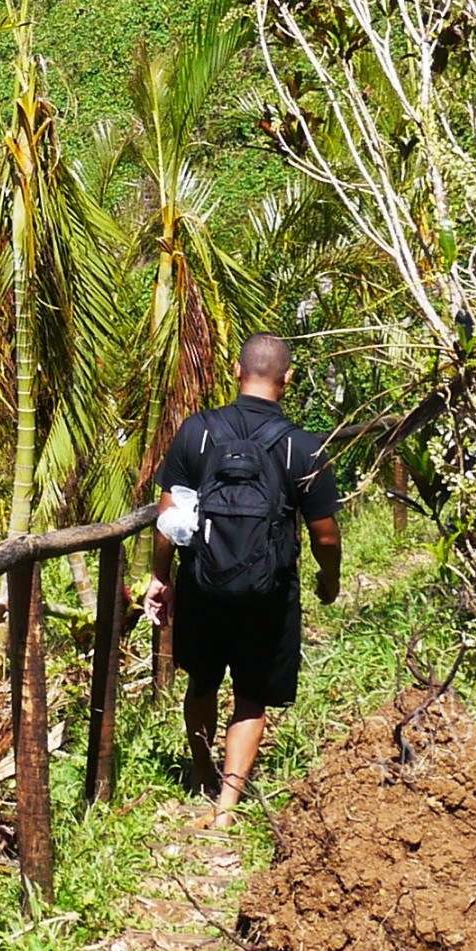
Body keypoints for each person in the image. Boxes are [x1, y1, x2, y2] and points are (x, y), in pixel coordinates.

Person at [142, 332, 342, 827]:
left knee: (203, 680)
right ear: (288, 379)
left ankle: (202, 770)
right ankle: (228, 804)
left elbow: (169, 517)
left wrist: (159, 577)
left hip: (203, 583)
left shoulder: (198, 431)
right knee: (252, 693)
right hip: (269, 592)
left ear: (236, 370)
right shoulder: (303, 447)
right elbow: (325, 533)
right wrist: (328, 580)